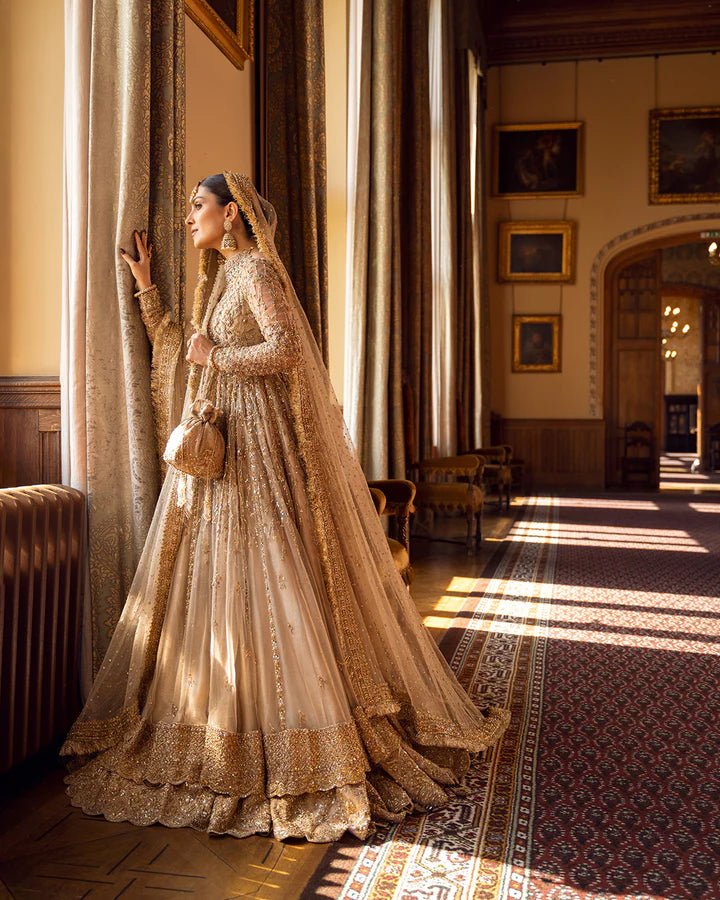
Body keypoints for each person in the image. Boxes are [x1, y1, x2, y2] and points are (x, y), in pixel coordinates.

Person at [61, 172, 508, 842]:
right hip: (224, 455)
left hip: (257, 454)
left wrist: (220, 355)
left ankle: (300, 742)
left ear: (230, 212)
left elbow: (288, 350)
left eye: (198, 206)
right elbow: (191, 354)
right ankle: (219, 730)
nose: (190, 217)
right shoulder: (223, 277)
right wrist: (149, 291)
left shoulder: (257, 273)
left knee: (269, 581)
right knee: (221, 589)